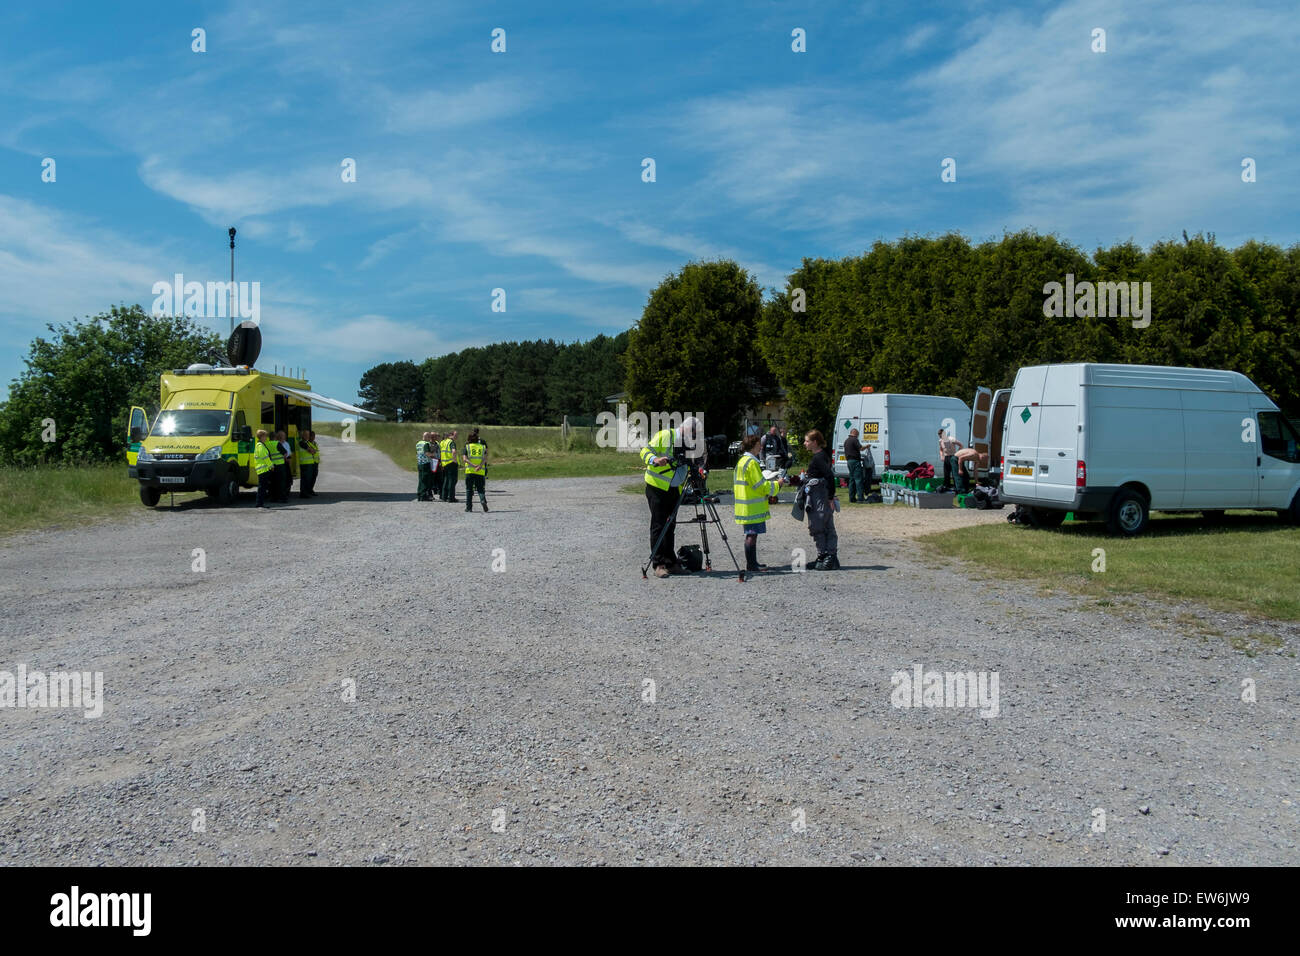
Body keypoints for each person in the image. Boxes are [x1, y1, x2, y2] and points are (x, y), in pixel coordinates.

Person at [640, 416, 703, 578]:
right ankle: (658, 564)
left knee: (670, 526)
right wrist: (655, 459)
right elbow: (645, 451)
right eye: (695, 434)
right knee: (659, 525)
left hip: (674, 488)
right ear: (687, 429)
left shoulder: (687, 443)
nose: (695, 438)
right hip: (657, 487)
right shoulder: (666, 436)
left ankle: (671, 563)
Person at [734, 430, 782, 573]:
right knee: (752, 535)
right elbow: (760, 485)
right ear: (753, 446)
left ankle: (753, 563)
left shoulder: (742, 461)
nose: (761, 447)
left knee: (751, 534)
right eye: (758, 445)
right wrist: (777, 485)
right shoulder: (751, 463)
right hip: (752, 506)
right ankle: (752, 565)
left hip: (745, 505)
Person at [799, 429, 839, 570]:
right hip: (820, 495)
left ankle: (828, 556)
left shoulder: (819, 457)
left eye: (807, 441)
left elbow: (829, 476)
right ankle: (824, 556)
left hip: (820, 497)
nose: (805, 443)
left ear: (815, 442)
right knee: (823, 524)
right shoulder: (821, 456)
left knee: (819, 524)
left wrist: (830, 497)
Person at [462, 430, 489, 512]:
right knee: (480, 488)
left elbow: (465, 459)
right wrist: (480, 466)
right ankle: (483, 500)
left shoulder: (467, 447)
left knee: (469, 489)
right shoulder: (482, 447)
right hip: (480, 471)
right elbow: (485, 458)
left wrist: (474, 466)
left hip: (470, 471)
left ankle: (469, 507)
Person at [253, 429, 276, 508]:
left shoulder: (260, 445)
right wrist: (271, 466)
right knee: (262, 488)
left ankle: (260, 503)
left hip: (262, 469)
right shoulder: (260, 446)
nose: (266, 438)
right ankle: (259, 504)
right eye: (265, 436)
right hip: (263, 470)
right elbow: (265, 458)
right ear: (261, 437)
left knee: (262, 488)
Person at [938, 428, 964, 492]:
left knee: (954, 474)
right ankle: (946, 487)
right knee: (946, 474)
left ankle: (957, 489)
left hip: (953, 457)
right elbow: (941, 449)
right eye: (940, 436)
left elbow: (961, 445)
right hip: (946, 457)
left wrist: (957, 453)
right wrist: (942, 456)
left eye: (942, 435)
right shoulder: (940, 441)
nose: (941, 437)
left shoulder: (951, 439)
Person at [844, 427, 865, 502]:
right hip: (855, 461)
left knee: (852, 480)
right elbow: (861, 448)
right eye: (858, 435)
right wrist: (866, 446)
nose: (858, 436)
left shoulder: (846, 441)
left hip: (849, 461)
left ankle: (851, 498)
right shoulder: (854, 440)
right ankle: (860, 498)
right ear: (855, 433)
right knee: (858, 479)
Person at [268, 430, 288, 502]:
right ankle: (282, 498)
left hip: (271, 466)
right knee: (281, 482)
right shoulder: (277, 443)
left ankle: (273, 498)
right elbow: (285, 453)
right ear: (276, 437)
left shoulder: (267, 444)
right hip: (280, 465)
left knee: (272, 483)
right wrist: (284, 458)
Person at [298, 430, 319, 498]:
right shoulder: (302, 443)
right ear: (303, 435)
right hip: (305, 464)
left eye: (308, 435)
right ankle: (303, 493)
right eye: (306, 435)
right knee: (305, 479)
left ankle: (308, 491)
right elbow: (312, 451)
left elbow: (313, 451)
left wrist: (313, 451)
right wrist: (313, 450)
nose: (307, 436)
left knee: (310, 478)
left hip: (312, 463)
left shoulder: (308, 443)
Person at [439, 429, 459, 502]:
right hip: (451, 463)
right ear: (451, 435)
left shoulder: (443, 442)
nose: (457, 437)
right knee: (452, 481)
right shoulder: (451, 442)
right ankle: (451, 498)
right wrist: (455, 461)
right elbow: (453, 451)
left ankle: (444, 496)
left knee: (446, 480)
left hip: (445, 463)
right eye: (456, 435)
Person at [415, 431, 433, 501]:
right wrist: (433, 455)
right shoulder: (426, 444)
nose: (430, 438)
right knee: (425, 480)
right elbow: (427, 453)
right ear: (426, 437)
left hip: (419, 463)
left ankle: (419, 494)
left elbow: (417, 453)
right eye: (429, 437)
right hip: (425, 463)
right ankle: (423, 496)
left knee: (421, 479)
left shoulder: (418, 443)